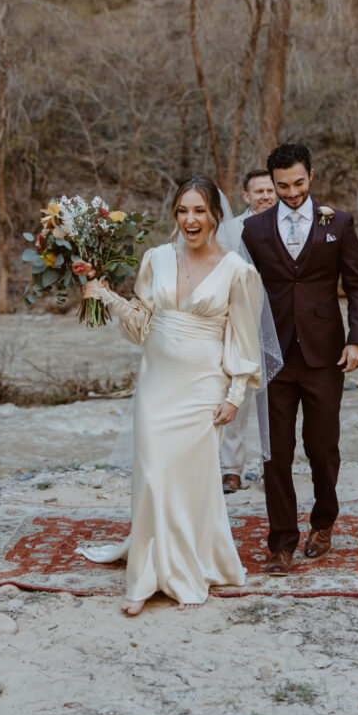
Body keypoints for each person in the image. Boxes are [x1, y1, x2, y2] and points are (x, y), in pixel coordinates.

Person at [80, 174, 264, 615]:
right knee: (152, 476)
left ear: (217, 217)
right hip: (156, 384)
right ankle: (148, 572)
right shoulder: (156, 258)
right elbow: (143, 325)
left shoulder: (238, 272)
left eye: (199, 210)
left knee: (189, 481)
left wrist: (235, 395)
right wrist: (104, 293)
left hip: (204, 387)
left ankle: (184, 568)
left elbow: (243, 341)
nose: (190, 219)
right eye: (183, 211)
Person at [242, 143, 358, 575]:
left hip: (325, 354)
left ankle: (324, 521)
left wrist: (357, 340)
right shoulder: (255, 230)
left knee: (322, 447)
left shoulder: (339, 223)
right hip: (273, 354)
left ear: (311, 176)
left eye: (299, 183)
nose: (292, 192)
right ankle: (281, 542)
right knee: (275, 453)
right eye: (282, 186)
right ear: (271, 183)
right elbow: (243, 291)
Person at [221, 168, 277, 494]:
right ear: (246, 196)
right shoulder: (229, 231)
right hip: (238, 326)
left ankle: (272, 465)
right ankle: (231, 470)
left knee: (275, 402)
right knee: (235, 398)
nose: (266, 197)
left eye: (270, 191)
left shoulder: (287, 228)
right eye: (259, 192)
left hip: (277, 328)